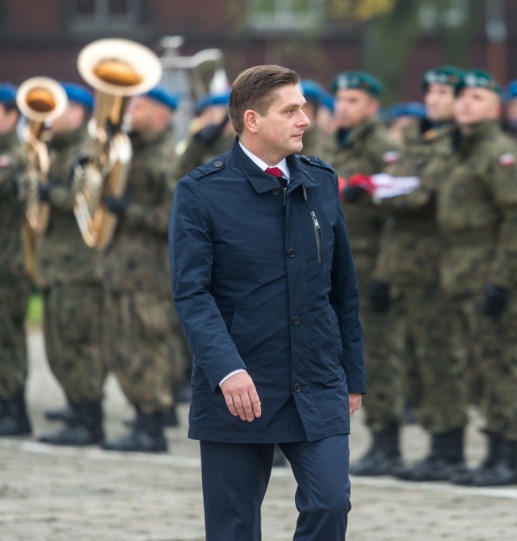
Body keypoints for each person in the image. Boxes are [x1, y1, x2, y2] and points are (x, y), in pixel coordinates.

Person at [170, 64, 364, 541]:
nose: (306, 120)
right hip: (240, 383)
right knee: (233, 526)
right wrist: (226, 369)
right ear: (253, 120)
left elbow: (343, 288)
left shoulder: (320, 180)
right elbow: (192, 293)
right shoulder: (200, 191)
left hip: (316, 377)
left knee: (330, 503)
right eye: (291, 110)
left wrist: (353, 376)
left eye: (304, 108)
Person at [369, 66, 470, 482]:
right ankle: (433, 442)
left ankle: (449, 447)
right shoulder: (415, 140)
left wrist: (386, 192)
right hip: (403, 266)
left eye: (444, 91)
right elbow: (397, 188)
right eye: (430, 90)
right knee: (414, 358)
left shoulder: (457, 144)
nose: (433, 98)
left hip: (436, 268)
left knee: (441, 359)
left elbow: (422, 193)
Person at [438, 70, 517, 486]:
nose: (465, 102)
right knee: (477, 367)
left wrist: (502, 277)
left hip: (492, 272)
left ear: (495, 108)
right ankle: (492, 450)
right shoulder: (458, 150)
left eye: (476, 97)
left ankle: (507, 456)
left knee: (500, 365)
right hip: (460, 271)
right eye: (461, 96)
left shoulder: (499, 152)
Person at [325, 70, 405, 477]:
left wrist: (386, 275)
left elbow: (398, 215)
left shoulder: (383, 146)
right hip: (333, 264)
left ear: (373, 106)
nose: (343, 106)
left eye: (353, 100)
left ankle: (387, 441)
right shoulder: (330, 143)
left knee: (377, 355)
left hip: (371, 263)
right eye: (340, 99)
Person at [98, 87, 183, 452]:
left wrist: (126, 210)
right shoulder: (128, 149)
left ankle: (152, 425)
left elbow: (176, 219)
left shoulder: (169, 159)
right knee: (122, 346)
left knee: (148, 345)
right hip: (120, 267)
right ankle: (140, 414)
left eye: (140, 106)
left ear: (162, 114)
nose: (131, 111)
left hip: (150, 272)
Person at [33, 83, 107, 446]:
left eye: (58, 109)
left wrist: (52, 195)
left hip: (78, 268)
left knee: (78, 343)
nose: (49, 118)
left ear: (78, 112)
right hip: (56, 266)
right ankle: (76, 407)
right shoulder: (54, 148)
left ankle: (88, 416)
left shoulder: (86, 150)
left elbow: (89, 198)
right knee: (58, 346)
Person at [0, 83, 30, 437]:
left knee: (9, 338)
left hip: (10, 263)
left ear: (11, 116)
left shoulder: (17, 154)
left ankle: (15, 408)